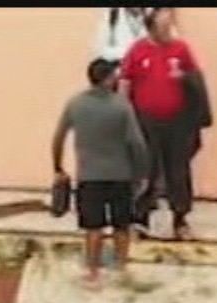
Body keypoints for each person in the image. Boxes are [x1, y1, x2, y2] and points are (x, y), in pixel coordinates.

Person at [50, 57, 151, 287]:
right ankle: (121, 267)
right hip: (120, 174)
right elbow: (137, 143)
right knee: (121, 224)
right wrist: (142, 173)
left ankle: (93, 272)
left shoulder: (75, 104)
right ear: (108, 79)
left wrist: (58, 167)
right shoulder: (121, 106)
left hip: (89, 175)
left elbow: (58, 138)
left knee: (93, 226)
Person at [114, 7, 206, 242]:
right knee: (147, 170)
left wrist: (184, 78)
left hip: (177, 121)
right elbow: (125, 82)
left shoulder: (181, 49)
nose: (168, 31)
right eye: (163, 27)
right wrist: (123, 115)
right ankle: (141, 218)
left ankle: (180, 219)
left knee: (178, 171)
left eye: (169, 26)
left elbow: (196, 78)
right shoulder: (138, 50)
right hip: (146, 120)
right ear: (151, 28)